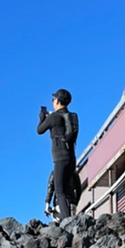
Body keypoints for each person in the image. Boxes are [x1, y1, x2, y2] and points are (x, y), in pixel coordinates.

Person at [37, 89, 78, 221]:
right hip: (71, 157)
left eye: (54, 99)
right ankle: (71, 219)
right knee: (67, 191)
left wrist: (42, 118)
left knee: (60, 191)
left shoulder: (53, 117)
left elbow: (39, 130)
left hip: (60, 158)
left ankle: (67, 222)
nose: (53, 101)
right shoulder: (72, 116)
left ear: (58, 101)